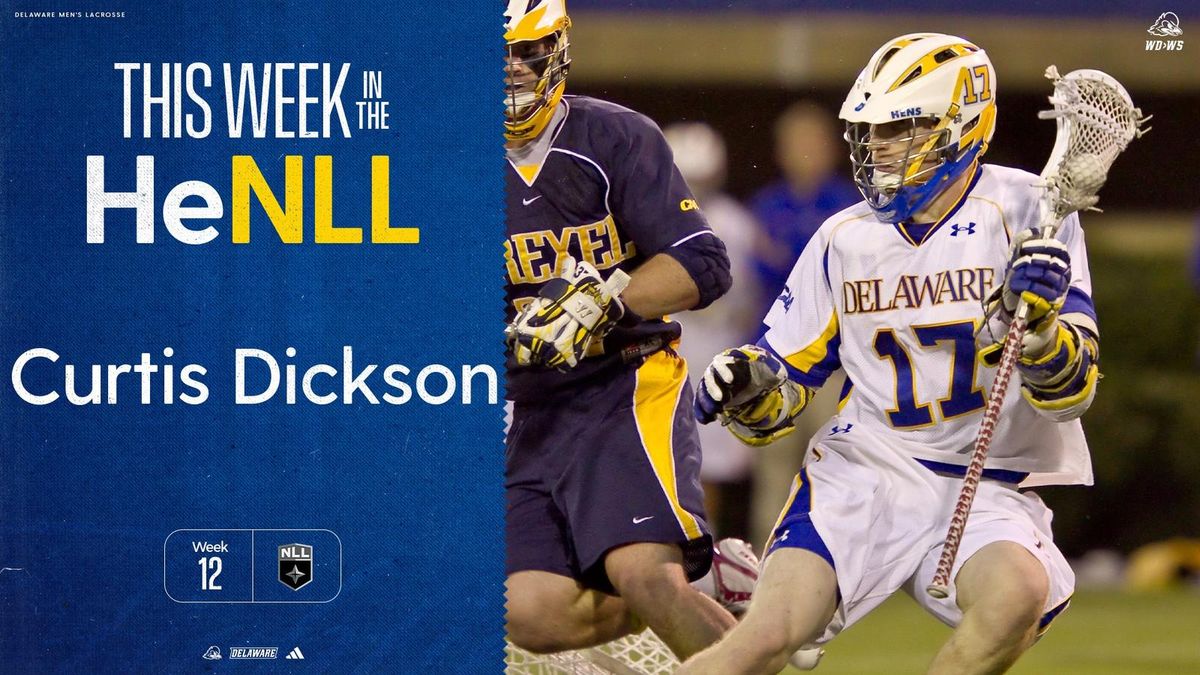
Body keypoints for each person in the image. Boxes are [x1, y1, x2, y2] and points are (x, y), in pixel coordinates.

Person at [681, 32, 1100, 674]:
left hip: (984, 483)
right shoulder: (844, 236)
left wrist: (1041, 333)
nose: (877, 147)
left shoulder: (1029, 210)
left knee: (1016, 595)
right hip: (867, 468)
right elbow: (780, 392)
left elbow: (1072, 393)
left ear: (960, 123)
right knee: (766, 635)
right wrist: (747, 385)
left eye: (899, 129)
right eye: (871, 131)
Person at [501, 0, 757, 660]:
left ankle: (684, 589)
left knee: (644, 573)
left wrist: (599, 302)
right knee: (529, 614)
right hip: (528, 406)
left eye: (526, 53)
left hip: (624, 383)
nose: (511, 71)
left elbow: (702, 263)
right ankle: (715, 580)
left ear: (556, 50)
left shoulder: (612, 136)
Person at [746, 103, 859, 548]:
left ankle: (840, 564)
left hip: (836, 359)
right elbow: (763, 270)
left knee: (837, 467)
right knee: (774, 472)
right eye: (796, 142)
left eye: (813, 141)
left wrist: (788, 255)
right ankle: (766, 565)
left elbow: (835, 275)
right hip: (775, 357)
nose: (805, 151)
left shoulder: (852, 205)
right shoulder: (767, 203)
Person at [664, 121, 765, 541]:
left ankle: (706, 545)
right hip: (666, 349)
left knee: (711, 462)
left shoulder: (734, 222)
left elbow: (746, 301)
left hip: (713, 351)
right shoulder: (646, 216)